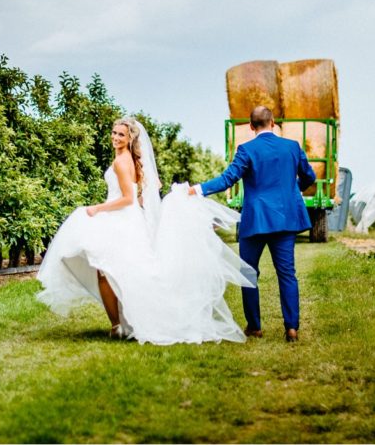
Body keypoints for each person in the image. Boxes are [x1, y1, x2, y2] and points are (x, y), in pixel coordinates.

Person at [37, 116, 254, 344]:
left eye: (121, 134)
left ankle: (117, 325)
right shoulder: (128, 159)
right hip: (129, 220)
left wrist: (97, 208)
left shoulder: (122, 162)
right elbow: (140, 195)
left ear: (130, 138)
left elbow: (128, 199)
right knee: (118, 270)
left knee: (104, 269)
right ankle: (124, 321)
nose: (115, 137)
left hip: (120, 218)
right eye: (114, 132)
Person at [191, 105, 315, 342]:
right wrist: (292, 190)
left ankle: (255, 326)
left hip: (255, 220)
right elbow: (309, 176)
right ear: (273, 122)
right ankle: (291, 328)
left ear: (250, 126)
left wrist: (198, 189)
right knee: (287, 274)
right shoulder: (292, 147)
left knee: (248, 273)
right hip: (285, 220)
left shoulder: (246, 150)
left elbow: (228, 179)